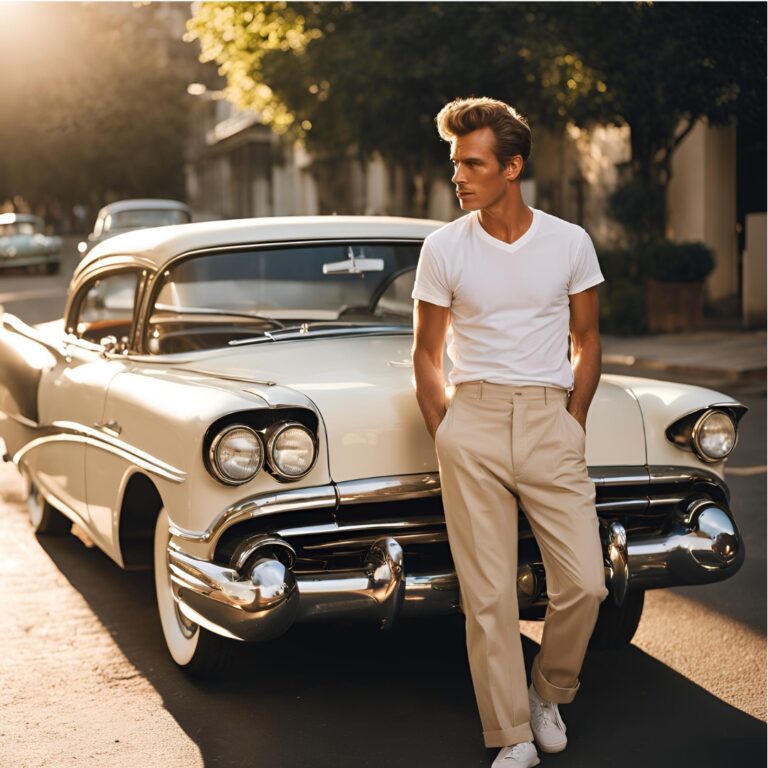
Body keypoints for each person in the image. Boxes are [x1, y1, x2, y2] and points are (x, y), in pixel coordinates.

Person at [411, 96, 609, 768]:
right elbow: (426, 354)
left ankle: (549, 690)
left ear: (513, 166)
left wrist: (571, 421)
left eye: (473, 163)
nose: (459, 176)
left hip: (550, 419)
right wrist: (448, 431)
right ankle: (512, 735)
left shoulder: (569, 241)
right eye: (455, 162)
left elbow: (586, 339)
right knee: (488, 597)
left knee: (585, 582)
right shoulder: (443, 248)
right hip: (475, 422)